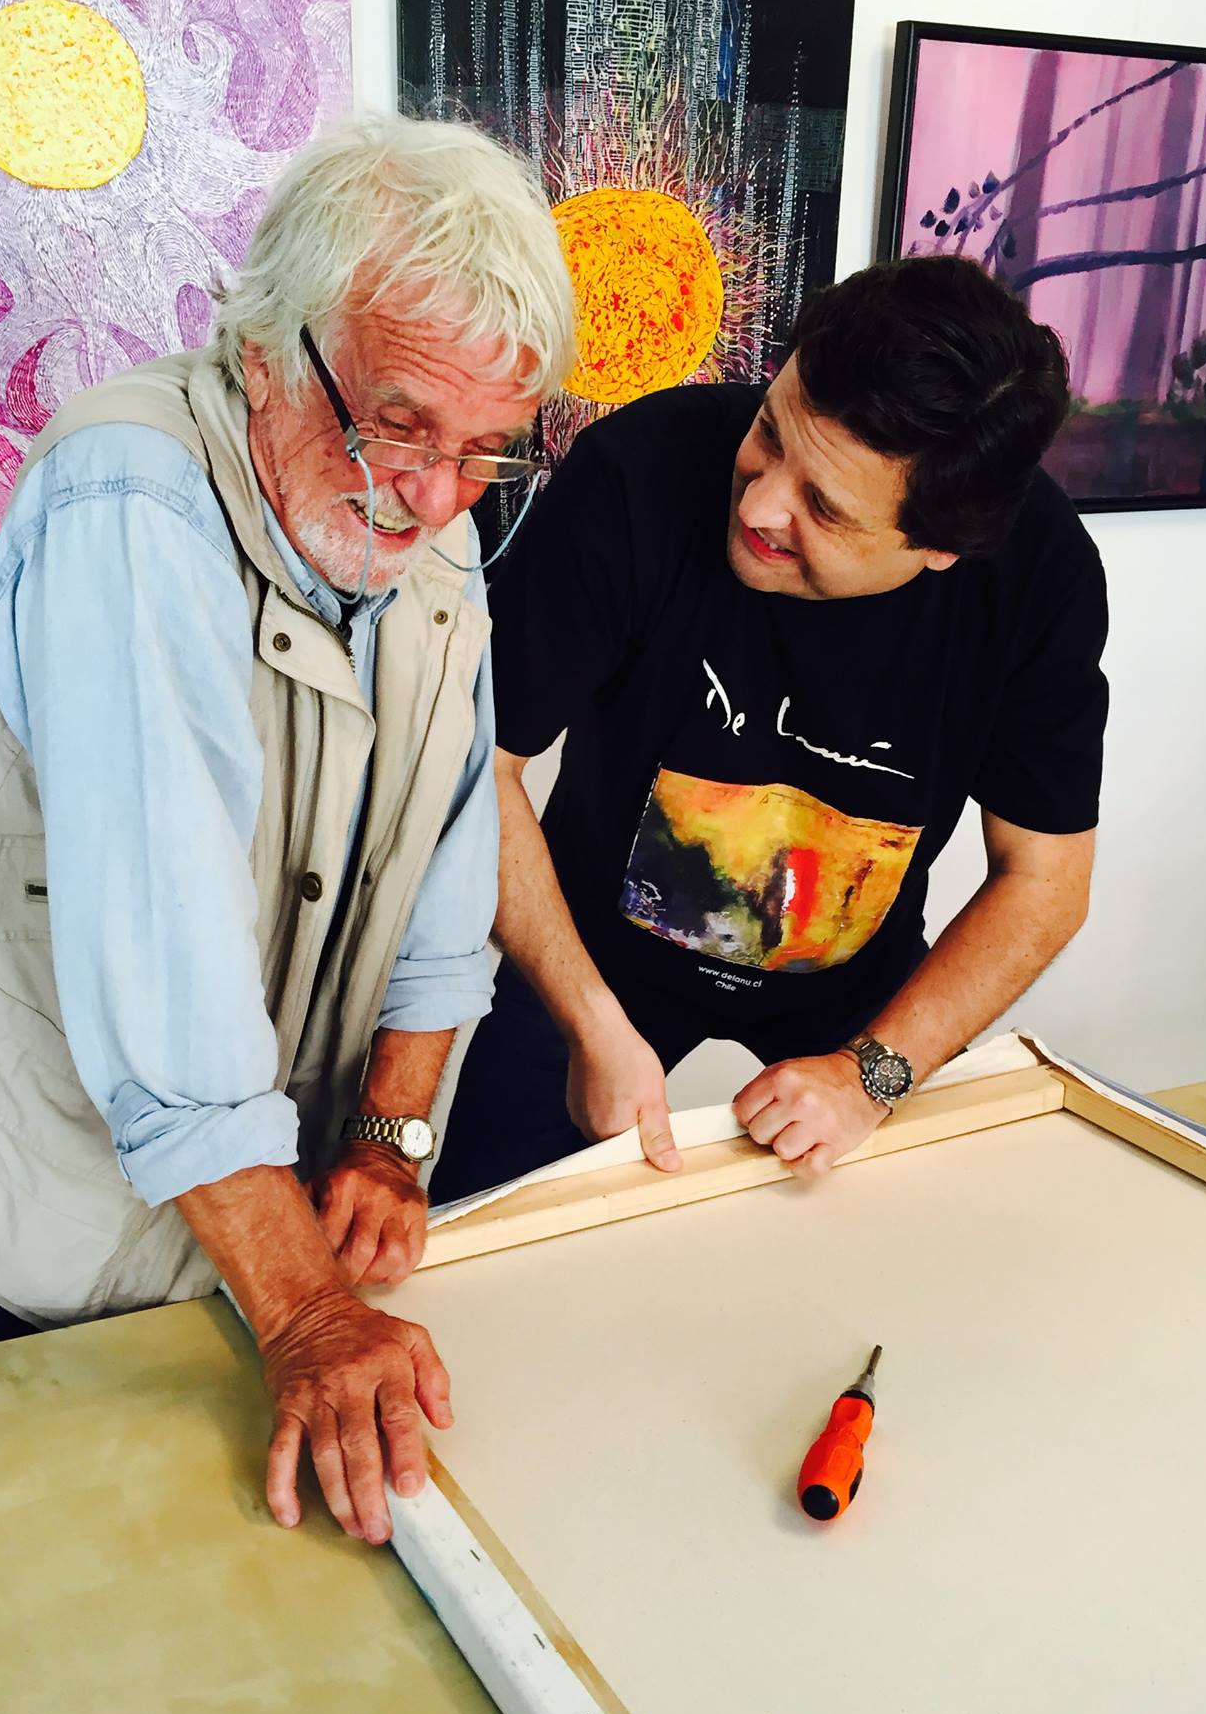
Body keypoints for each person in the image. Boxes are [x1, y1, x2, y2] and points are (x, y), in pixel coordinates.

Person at [0, 114, 574, 1547]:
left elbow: (445, 868)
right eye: (398, 424)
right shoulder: (131, 499)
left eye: (486, 451)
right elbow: (166, 951)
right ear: (262, 345)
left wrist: (391, 1133)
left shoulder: (438, 529)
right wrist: (303, 1305)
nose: (432, 499)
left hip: (224, 1222)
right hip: (3, 1217)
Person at [431, 257, 1108, 1204]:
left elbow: (1045, 883)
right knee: (480, 1233)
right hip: (588, 955)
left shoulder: (1041, 580)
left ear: (941, 548)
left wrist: (874, 1074)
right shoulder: (637, 471)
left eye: (825, 507)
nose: (757, 506)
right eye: (768, 431)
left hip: (853, 989)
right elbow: (474, 771)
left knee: (874, 1261)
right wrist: (588, 1021)